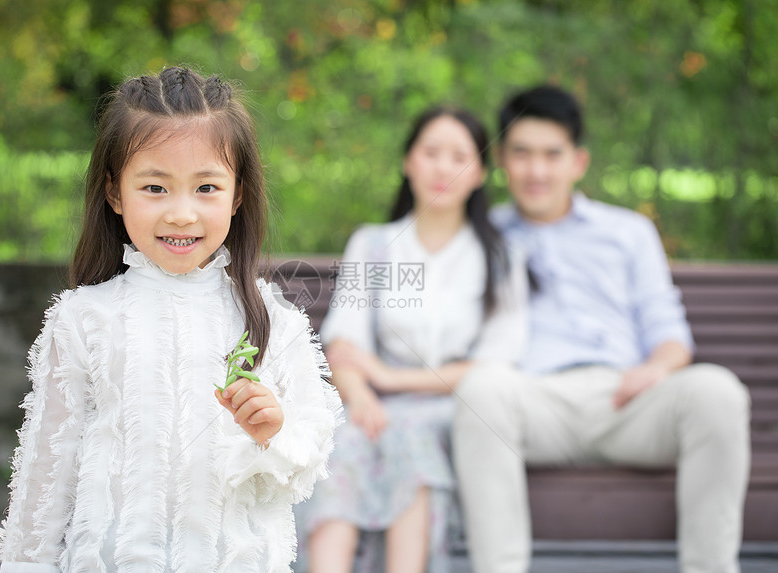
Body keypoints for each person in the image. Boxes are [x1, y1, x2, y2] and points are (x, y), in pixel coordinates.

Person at [0, 67, 342, 572]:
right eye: (155, 187)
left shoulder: (273, 323)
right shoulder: (84, 319)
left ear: (238, 193)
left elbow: (310, 451)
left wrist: (272, 429)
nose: (181, 213)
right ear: (115, 193)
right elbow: (46, 479)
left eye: (206, 187)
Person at [453, 85, 751, 573]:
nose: (537, 170)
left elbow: (670, 331)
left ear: (579, 161)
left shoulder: (628, 231)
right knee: (480, 388)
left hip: (628, 401)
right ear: (502, 160)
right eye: (522, 154)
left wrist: (656, 369)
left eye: (553, 154)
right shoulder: (483, 237)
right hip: (532, 402)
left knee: (718, 392)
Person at [295, 106, 529, 573]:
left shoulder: (501, 256)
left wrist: (388, 379)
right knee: (344, 440)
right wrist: (360, 396)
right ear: (409, 162)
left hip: (454, 411)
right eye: (431, 152)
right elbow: (344, 344)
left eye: (459, 155)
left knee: (408, 435)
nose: (444, 167)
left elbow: (494, 366)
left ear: (481, 171)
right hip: (374, 406)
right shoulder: (375, 243)